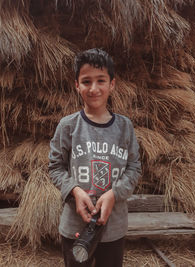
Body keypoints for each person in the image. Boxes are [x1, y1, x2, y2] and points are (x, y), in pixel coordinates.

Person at [48, 48, 141, 267]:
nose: (94, 88)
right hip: (74, 227)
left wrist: (114, 194)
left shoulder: (124, 127)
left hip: (113, 227)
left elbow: (134, 168)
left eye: (101, 80)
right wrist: (75, 190)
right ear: (76, 85)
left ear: (112, 84)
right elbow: (55, 167)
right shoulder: (68, 126)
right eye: (86, 81)